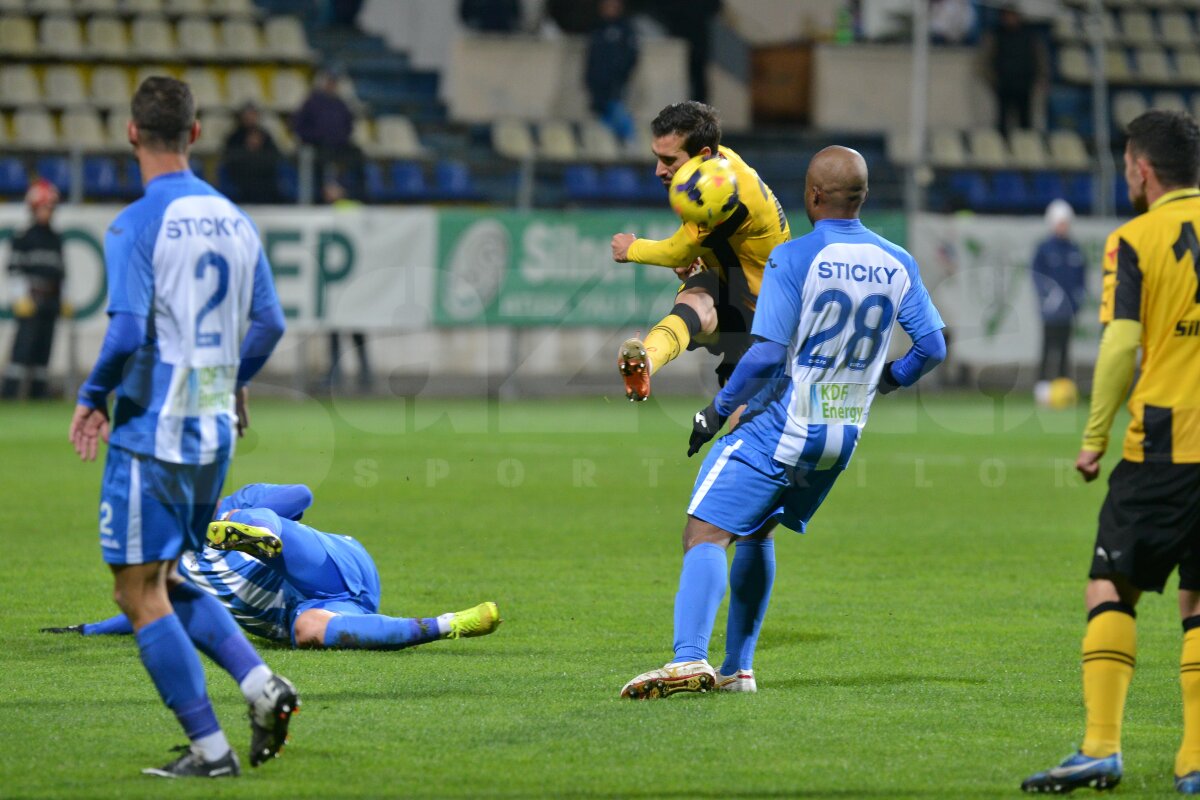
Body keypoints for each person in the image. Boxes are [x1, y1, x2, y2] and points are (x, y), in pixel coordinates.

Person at [618, 146, 946, 699]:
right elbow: (933, 346)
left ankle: (688, 659)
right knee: (756, 528)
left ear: (813, 196)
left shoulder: (794, 258)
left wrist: (715, 412)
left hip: (783, 427)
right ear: (861, 197)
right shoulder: (898, 261)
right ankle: (738, 669)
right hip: (841, 437)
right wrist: (887, 380)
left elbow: (768, 355)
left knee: (704, 529)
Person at [67, 76, 291, 779]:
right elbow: (271, 323)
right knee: (162, 576)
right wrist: (232, 380)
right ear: (195, 135)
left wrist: (91, 394)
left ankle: (210, 749)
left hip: (153, 434)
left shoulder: (136, 222)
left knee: (135, 591)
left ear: (132, 133)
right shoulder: (234, 219)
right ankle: (263, 688)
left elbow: (126, 330)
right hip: (211, 430)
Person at [1021, 111, 1200, 794]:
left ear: (1140, 170)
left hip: (1164, 442)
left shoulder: (1134, 238)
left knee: (1112, 585)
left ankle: (1100, 747)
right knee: (1198, 598)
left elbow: (1122, 345)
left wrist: (1094, 438)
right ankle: (1194, 761)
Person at [44, 483, 502, 648]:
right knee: (309, 630)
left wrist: (227, 512)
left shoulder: (235, 501)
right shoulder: (174, 574)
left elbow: (302, 495)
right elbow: (142, 611)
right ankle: (448, 624)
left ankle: (255, 533)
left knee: (270, 535)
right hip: (314, 609)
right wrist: (88, 631)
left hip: (331, 565)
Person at [610, 101, 790, 404]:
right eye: (657, 158)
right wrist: (702, 252)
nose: (659, 171)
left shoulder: (731, 195)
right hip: (732, 286)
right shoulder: (716, 170)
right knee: (693, 303)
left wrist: (632, 248)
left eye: (669, 160)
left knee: (747, 424)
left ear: (703, 155)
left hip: (763, 312)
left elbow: (677, 252)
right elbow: (700, 243)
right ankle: (645, 364)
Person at [2, 179, 65, 400]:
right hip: (30, 302)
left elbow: (60, 274)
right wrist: (21, 297)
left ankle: (39, 396)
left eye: (51, 208)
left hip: (50, 304)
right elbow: (14, 270)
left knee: (43, 353)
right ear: (34, 208)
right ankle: (9, 395)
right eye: (45, 207)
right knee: (22, 352)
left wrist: (62, 299)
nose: (48, 212)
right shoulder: (24, 237)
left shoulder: (55, 239)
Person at [1031, 199, 1086, 401]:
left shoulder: (1075, 250)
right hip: (1051, 311)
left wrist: (1078, 301)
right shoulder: (1045, 249)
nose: (1063, 227)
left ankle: (1063, 387)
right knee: (1048, 348)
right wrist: (1048, 299)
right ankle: (1042, 388)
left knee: (1065, 350)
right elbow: (1037, 277)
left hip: (1068, 311)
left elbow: (1081, 279)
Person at [292, 68, 361, 202]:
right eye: (329, 82)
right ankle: (320, 197)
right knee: (320, 161)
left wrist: (342, 138)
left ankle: (354, 195)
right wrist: (313, 137)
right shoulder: (311, 102)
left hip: (339, 146)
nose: (331, 85)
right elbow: (299, 126)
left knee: (357, 155)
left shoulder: (340, 104)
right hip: (317, 145)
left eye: (334, 82)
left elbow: (349, 125)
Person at [978, 5, 1048, 135]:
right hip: (1004, 84)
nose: (1010, 19)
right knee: (1002, 123)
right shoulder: (996, 35)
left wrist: (1040, 78)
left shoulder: (1030, 36)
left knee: (1025, 122)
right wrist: (993, 80)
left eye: (1012, 15)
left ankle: (1025, 149)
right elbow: (984, 62)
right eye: (1007, 16)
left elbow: (1040, 59)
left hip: (1024, 84)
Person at [585, 0, 638, 144]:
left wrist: (619, 77)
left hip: (616, 90)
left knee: (623, 125)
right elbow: (592, 60)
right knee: (603, 133)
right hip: (598, 93)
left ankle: (632, 153)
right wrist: (590, 81)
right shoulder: (597, 29)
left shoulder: (625, 30)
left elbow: (630, 58)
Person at [221, 103, 284, 205]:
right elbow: (230, 159)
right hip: (241, 180)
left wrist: (257, 153)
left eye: (252, 114)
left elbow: (274, 157)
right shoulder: (234, 137)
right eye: (247, 115)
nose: (250, 118)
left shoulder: (264, 135)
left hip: (265, 179)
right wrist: (249, 150)